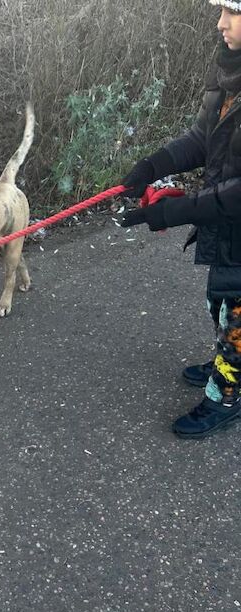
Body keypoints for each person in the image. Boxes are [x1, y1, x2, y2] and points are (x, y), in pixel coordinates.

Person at [121, 1, 241, 439]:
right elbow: (202, 138)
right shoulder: (229, 69)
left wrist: (170, 211)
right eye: (222, 9)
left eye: (234, 12)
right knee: (219, 301)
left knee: (238, 317)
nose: (221, 22)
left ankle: (227, 393)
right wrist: (153, 165)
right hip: (226, 227)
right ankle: (229, 359)